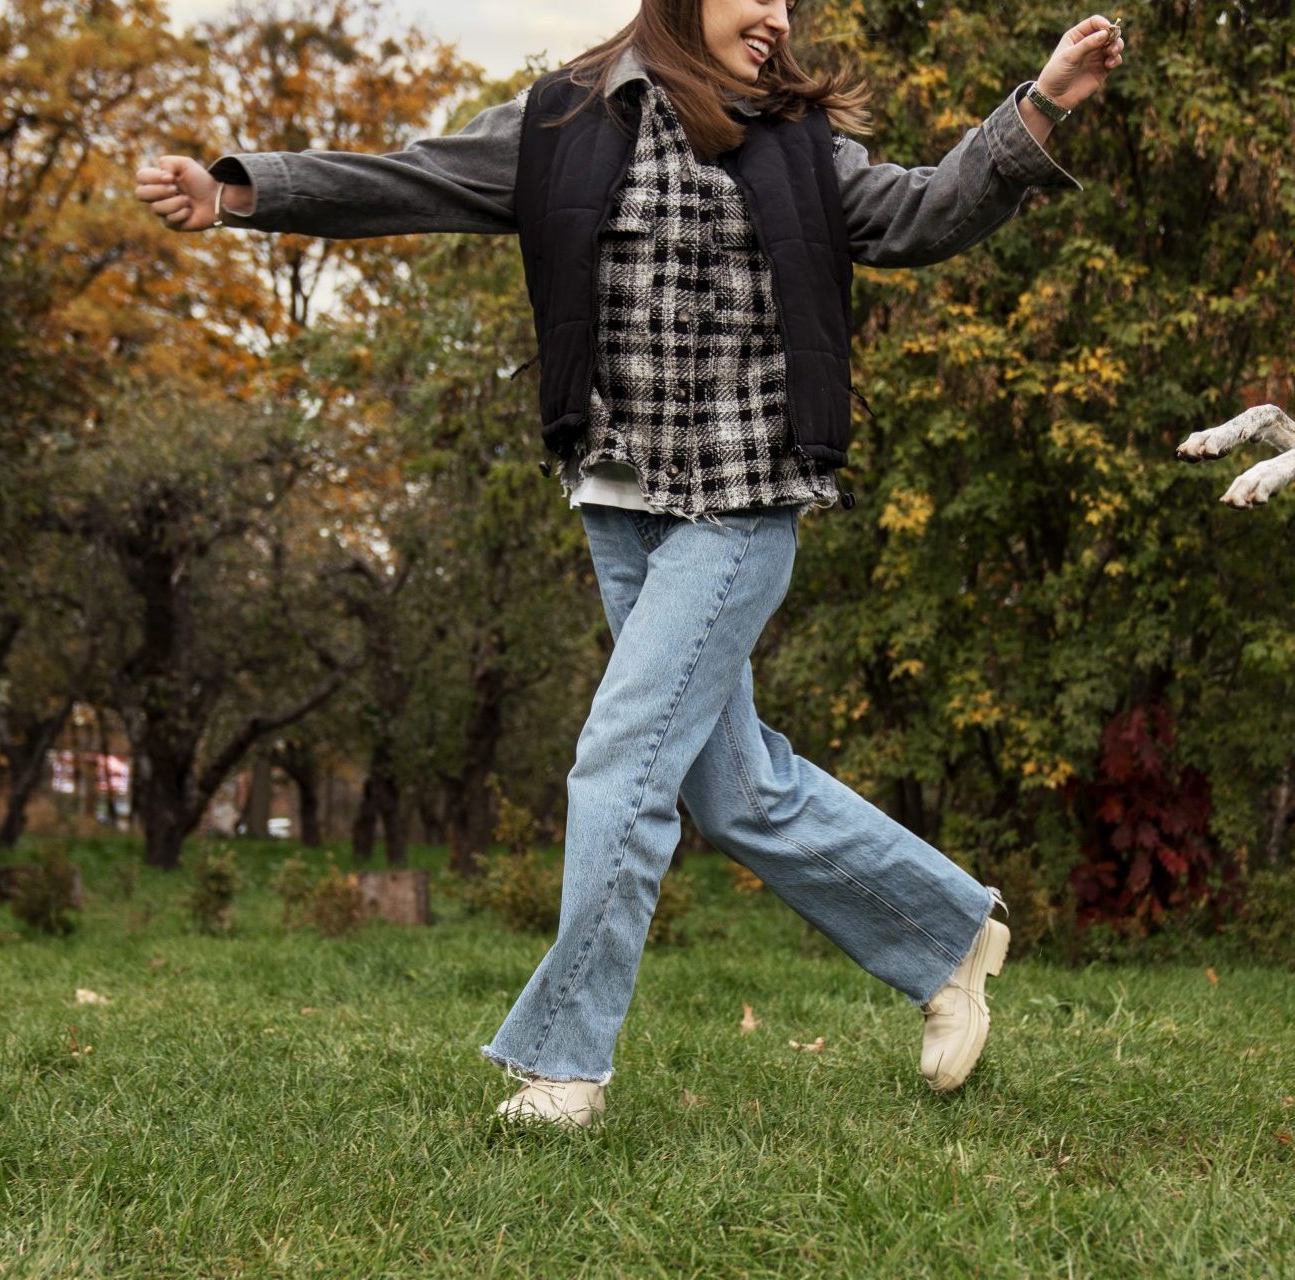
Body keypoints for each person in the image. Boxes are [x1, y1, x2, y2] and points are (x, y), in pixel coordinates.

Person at [135, 0, 1125, 1128]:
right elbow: (410, 178)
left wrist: (1039, 105)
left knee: (622, 760)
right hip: (618, 500)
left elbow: (923, 215)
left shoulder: (799, 145)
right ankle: (950, 933)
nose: (779, 16)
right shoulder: (561, 120)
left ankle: (565, 1061)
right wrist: (240, 190)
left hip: (744, 498)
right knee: (736, 789)